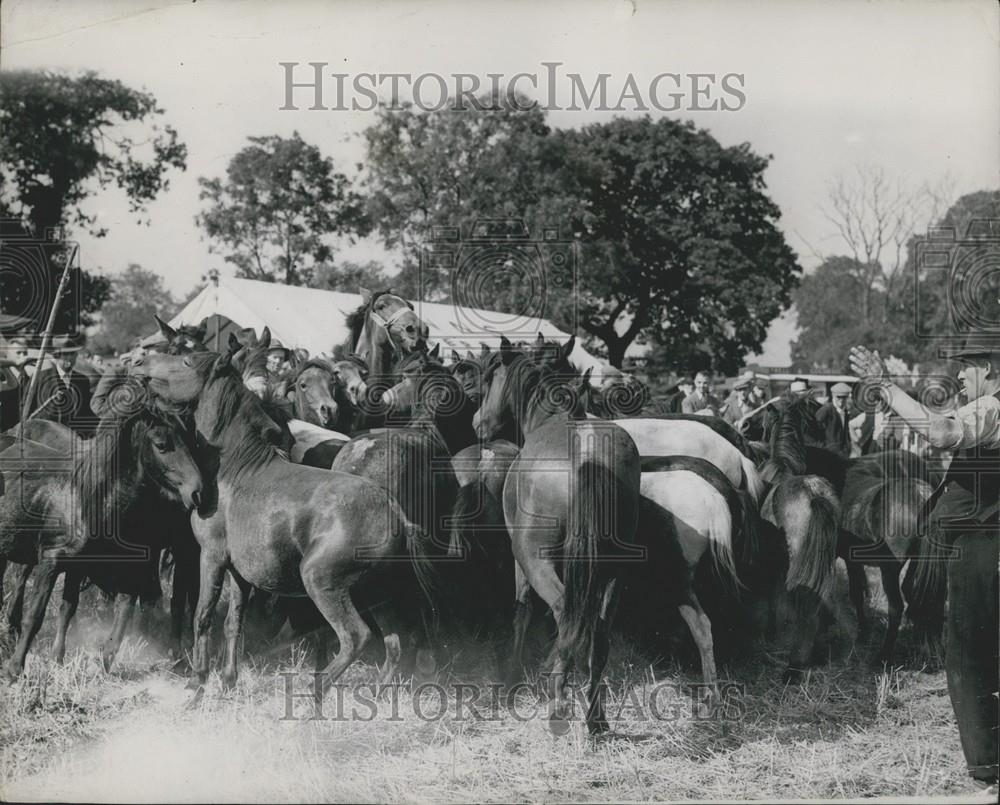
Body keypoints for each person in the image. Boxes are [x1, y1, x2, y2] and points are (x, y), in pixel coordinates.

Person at [850, 340, 999, 788]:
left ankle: (989, 771)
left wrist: (885, 387)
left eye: (969, 368)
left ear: (990, 368)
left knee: (969, 655)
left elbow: (939, 432)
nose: (959, 376)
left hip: (984, 543)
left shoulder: (992, 408)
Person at [816, 381, 853, 457]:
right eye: (838, 397)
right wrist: (823, 447)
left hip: (843, 452)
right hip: (829, 453)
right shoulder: (826, 410)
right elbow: (814, 430)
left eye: (844, 397)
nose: (841, 400)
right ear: (833, 396)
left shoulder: (845, 411)